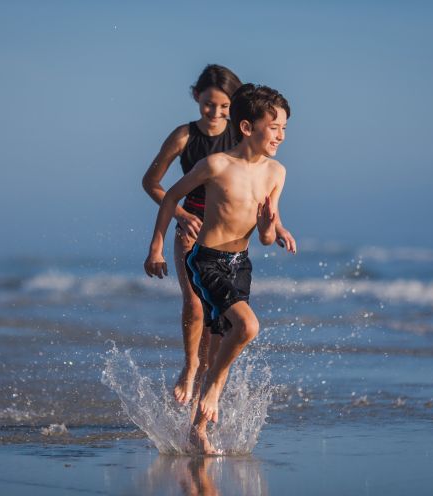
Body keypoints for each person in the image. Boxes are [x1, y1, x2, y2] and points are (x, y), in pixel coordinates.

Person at [144, 83, 294, 453]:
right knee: (248, 326)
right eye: (273, 127)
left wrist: (268, 228)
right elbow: (172, 197)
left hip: (241, 263)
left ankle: (198, 431)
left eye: (284, 129)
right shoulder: (215, 165)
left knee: (227, 340)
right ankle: (209, 387)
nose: (280, 135)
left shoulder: (277, 173)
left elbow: (263, 237)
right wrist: (157, 247)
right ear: (247, 128)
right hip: (207, 259)